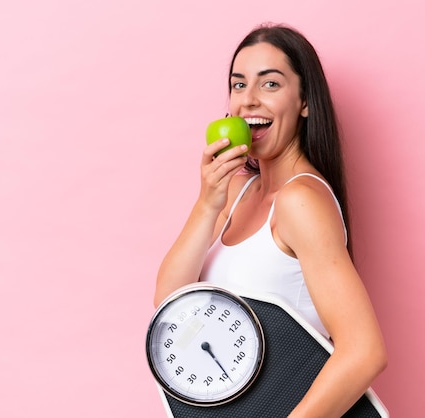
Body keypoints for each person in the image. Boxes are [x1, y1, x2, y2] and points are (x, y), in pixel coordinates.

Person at [154, 23, 387, 417]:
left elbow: (364, 352)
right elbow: (170, 306)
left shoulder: (300, 201)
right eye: (239, 85)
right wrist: (207, 201)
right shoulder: (237, 192)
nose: (248, 101)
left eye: (270, 84)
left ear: (305, 102)